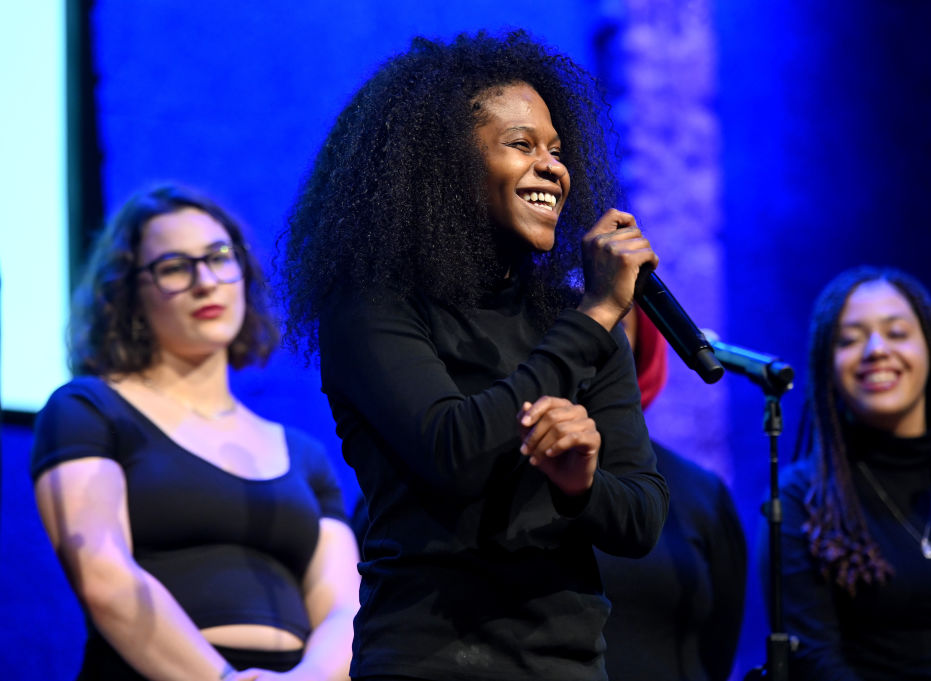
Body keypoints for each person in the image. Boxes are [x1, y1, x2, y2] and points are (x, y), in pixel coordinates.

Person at [280, 30, 669, 681]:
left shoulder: (566, 318)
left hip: (568, 664)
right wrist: (598, 315)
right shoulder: (373, 303)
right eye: (521, 145)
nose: (553, 167)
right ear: (445, 164)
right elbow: (450, 451)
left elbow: (642, 517)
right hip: (429, 658)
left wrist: (581, 486)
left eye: (556, 150)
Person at [31, 185, 360, 680]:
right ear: (128, 294)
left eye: (218, 257)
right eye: (174, 267)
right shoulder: (89, 409)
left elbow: (346, 609)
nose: (205, 281)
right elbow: (104, 574)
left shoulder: (303, 455)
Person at [767, 265, 931, 680]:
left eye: (897, 333)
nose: (875, 349)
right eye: (849, 339)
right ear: (826, 366)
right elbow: (815, 661)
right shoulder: (801, 498)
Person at [596, 308, 747, 681]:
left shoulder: (702, 494)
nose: (593, 334)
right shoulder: (507, 476)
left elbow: (719, 648)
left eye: (617, 319)